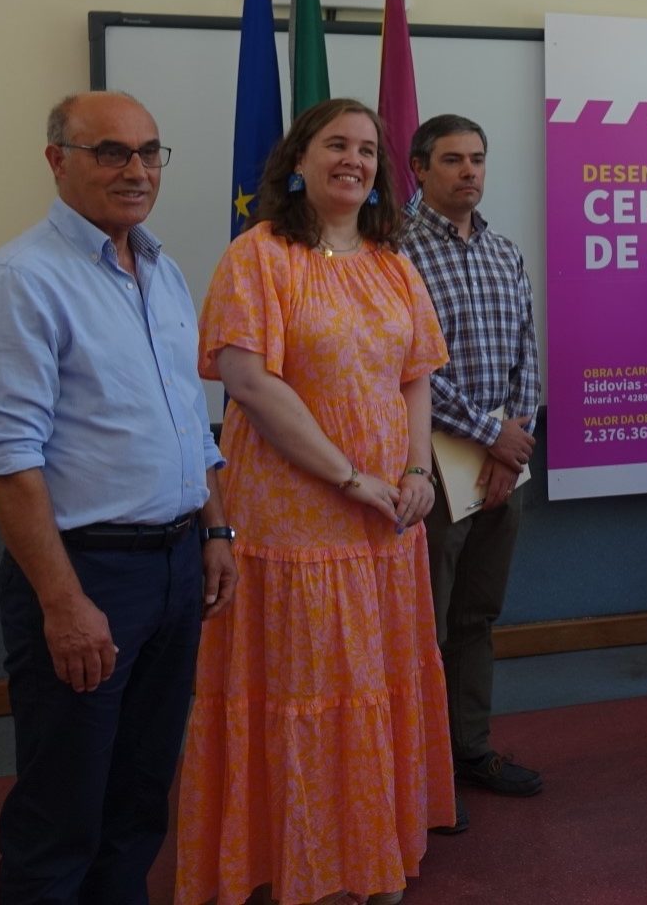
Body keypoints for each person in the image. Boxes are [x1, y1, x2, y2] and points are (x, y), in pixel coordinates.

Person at [0, 91, 237, 904]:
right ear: (57, 161)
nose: (136, 170)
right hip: (89, 576)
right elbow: (9, 463)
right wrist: (64, 602)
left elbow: (191, 420)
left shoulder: (162, 269)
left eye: (149, 152)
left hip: (179, 565)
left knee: (141, 797)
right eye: (111, 152)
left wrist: (217, 530)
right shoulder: (19, 282)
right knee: (63, 808)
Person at [174, 98, 455, 905]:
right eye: (337, 144)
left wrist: (414, 474)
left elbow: (415, 377)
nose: (355, 160)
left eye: (368, 149)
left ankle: (365, 856)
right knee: (308, 696)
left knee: (372, 689)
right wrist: (349, 477)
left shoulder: (392, 262)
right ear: (298, 159)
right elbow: (250, 383)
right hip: (299, 520)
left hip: (386, 525)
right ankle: (301, 864)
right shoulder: (257, 256)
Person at [401, 114, 545, 800]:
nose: (469, 172)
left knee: (477, 617)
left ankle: (471, 751)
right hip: (428, 464)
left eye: (478, 159)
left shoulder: (504, 251)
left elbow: (527, 352)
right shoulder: (392, 253)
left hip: (500, 470)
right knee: (424, 623)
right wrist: (491, 435)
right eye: (453, 159)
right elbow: (409, 369)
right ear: (419, 169)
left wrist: (511, 446)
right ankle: (421, 774)